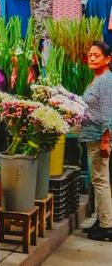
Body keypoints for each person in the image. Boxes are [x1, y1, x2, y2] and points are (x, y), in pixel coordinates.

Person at [79, 41, 112, 241]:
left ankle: (107, 226)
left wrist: (106, 139)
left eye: (96, 55)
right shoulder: (98, 78)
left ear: (108, 59)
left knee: (100, 181)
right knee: (100, 180)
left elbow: (108, 112)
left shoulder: (105, 80)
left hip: (99, 137)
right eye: (90, 55)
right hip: (92, 136)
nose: (91, 58)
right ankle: (102, 220)